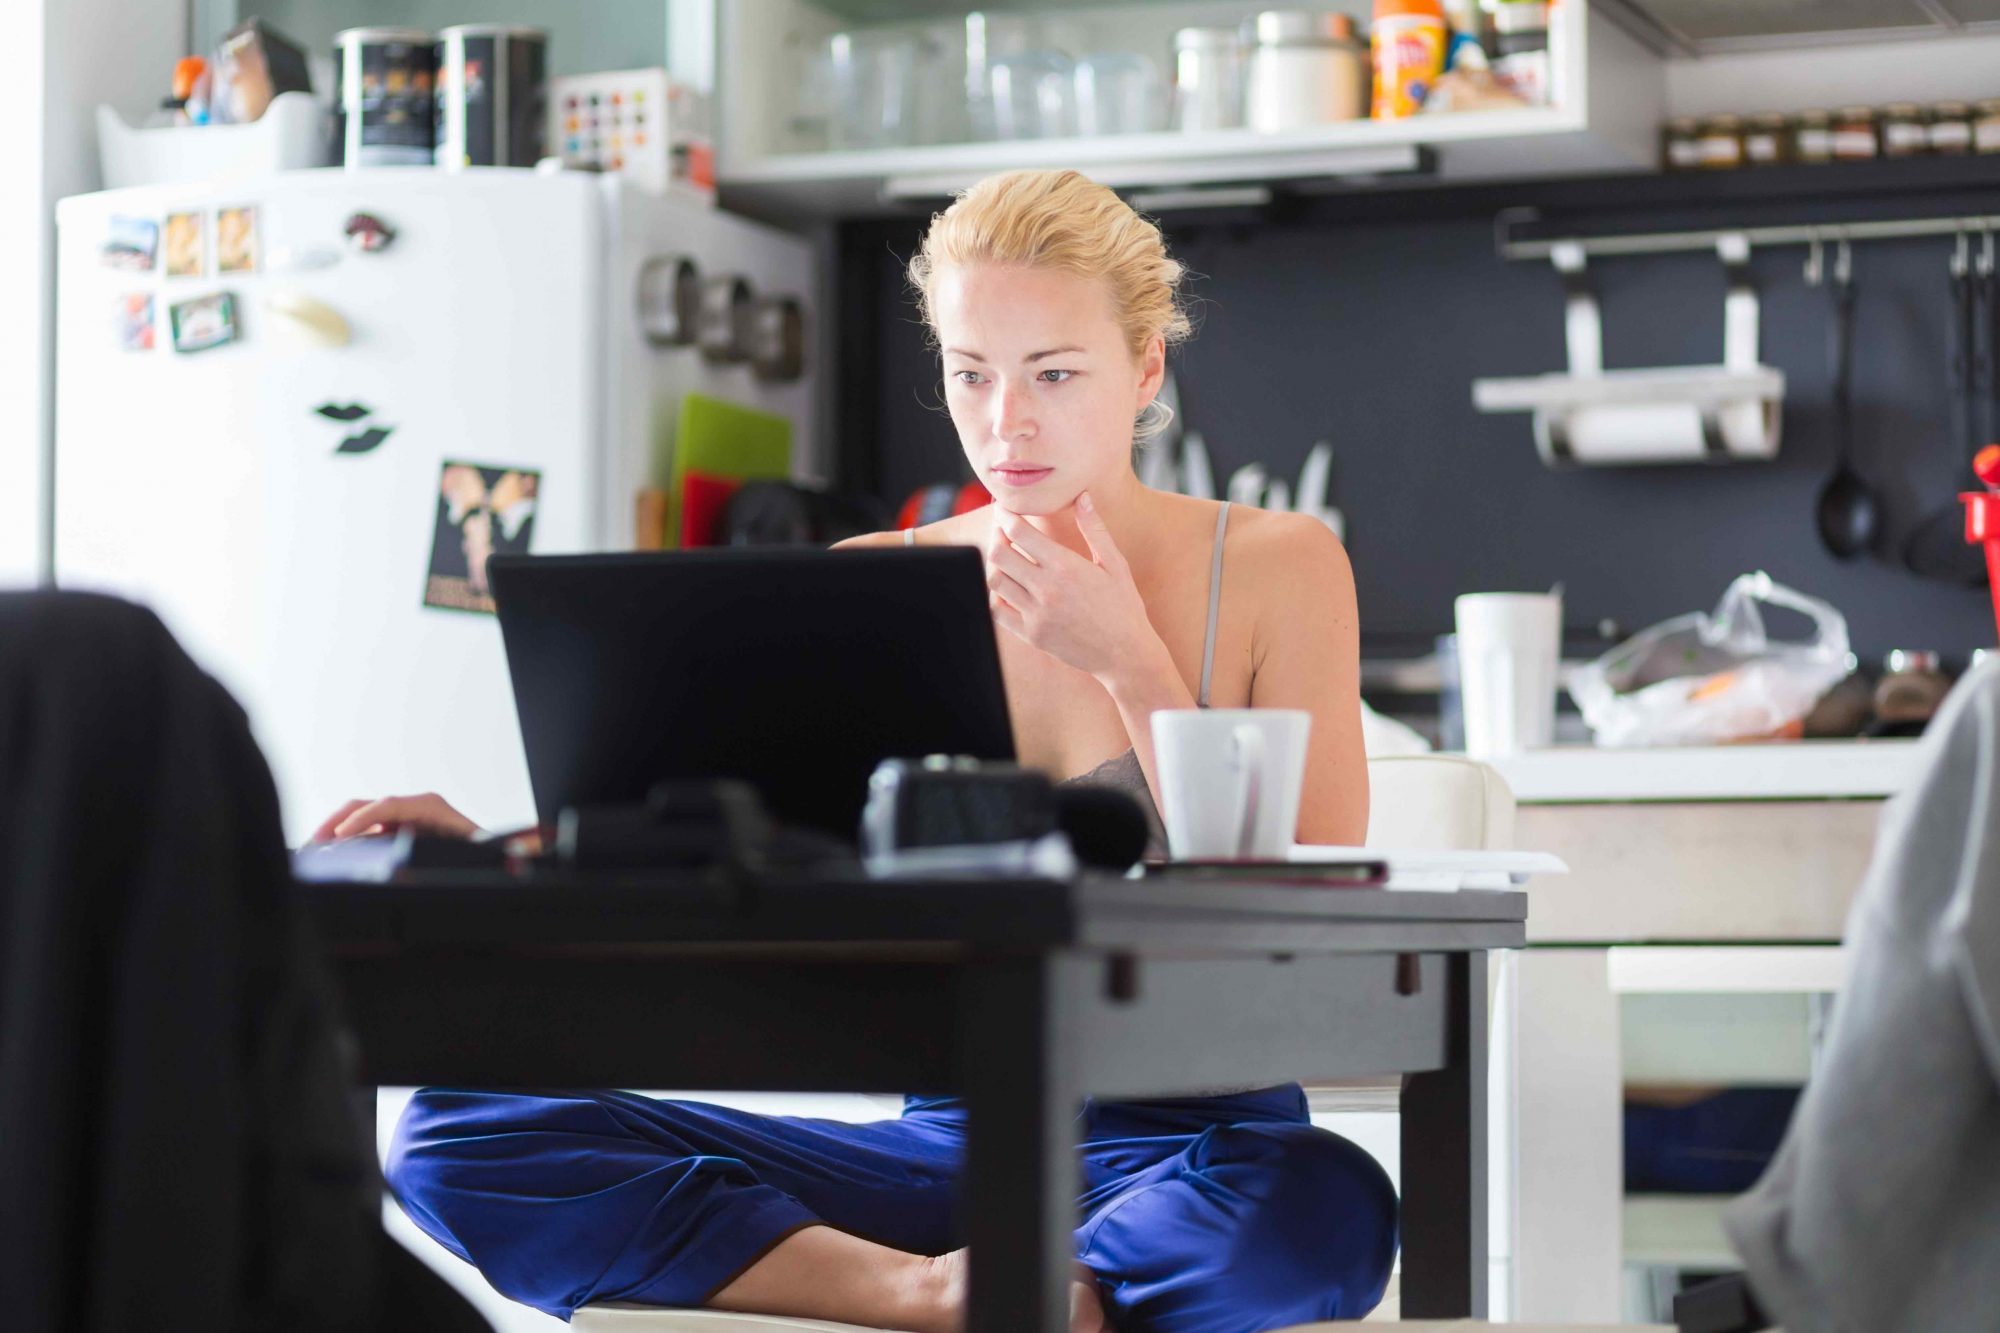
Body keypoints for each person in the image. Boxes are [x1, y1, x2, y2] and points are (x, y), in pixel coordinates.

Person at [318, 169, 1388, 1332]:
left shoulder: (1280, 564)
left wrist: (1126, 657)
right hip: (944, 1149)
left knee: (1328, 1198)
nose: (1005, 422)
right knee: (458, 1125)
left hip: (1204, 1143)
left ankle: (1042, 1278)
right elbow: (746, 847)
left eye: (1055, 374)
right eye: (971, 373)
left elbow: (1316, 899)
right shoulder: (878, 575)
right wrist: (486, 848)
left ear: (1143, 370)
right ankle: (927, 1290)